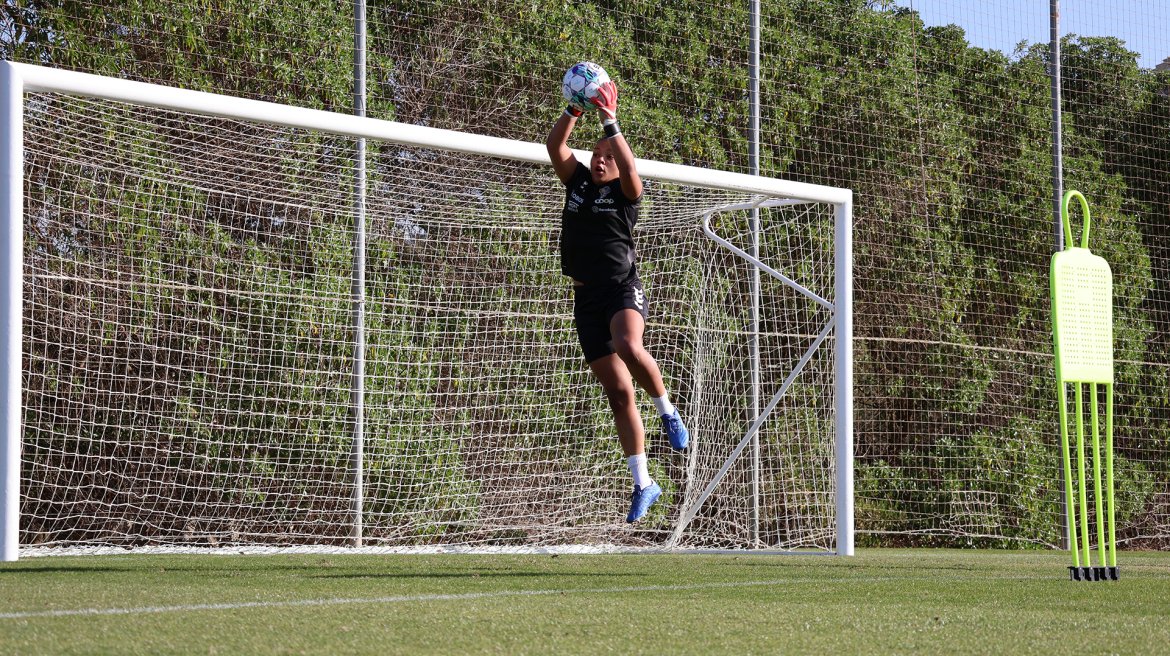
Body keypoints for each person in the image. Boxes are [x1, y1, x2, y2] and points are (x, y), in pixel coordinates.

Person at [545, 77, 690, 523]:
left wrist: (610, 120)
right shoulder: (580, 184)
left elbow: (629, 168)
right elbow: (554, 147)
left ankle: (668, 412)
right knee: (619, 392)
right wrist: (573, 109)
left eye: (608, 155)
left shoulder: (624, 193)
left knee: (629, 346)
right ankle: (644, 483)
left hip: (621, 288)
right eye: (597, 155)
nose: (601, 160)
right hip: (585, 299)